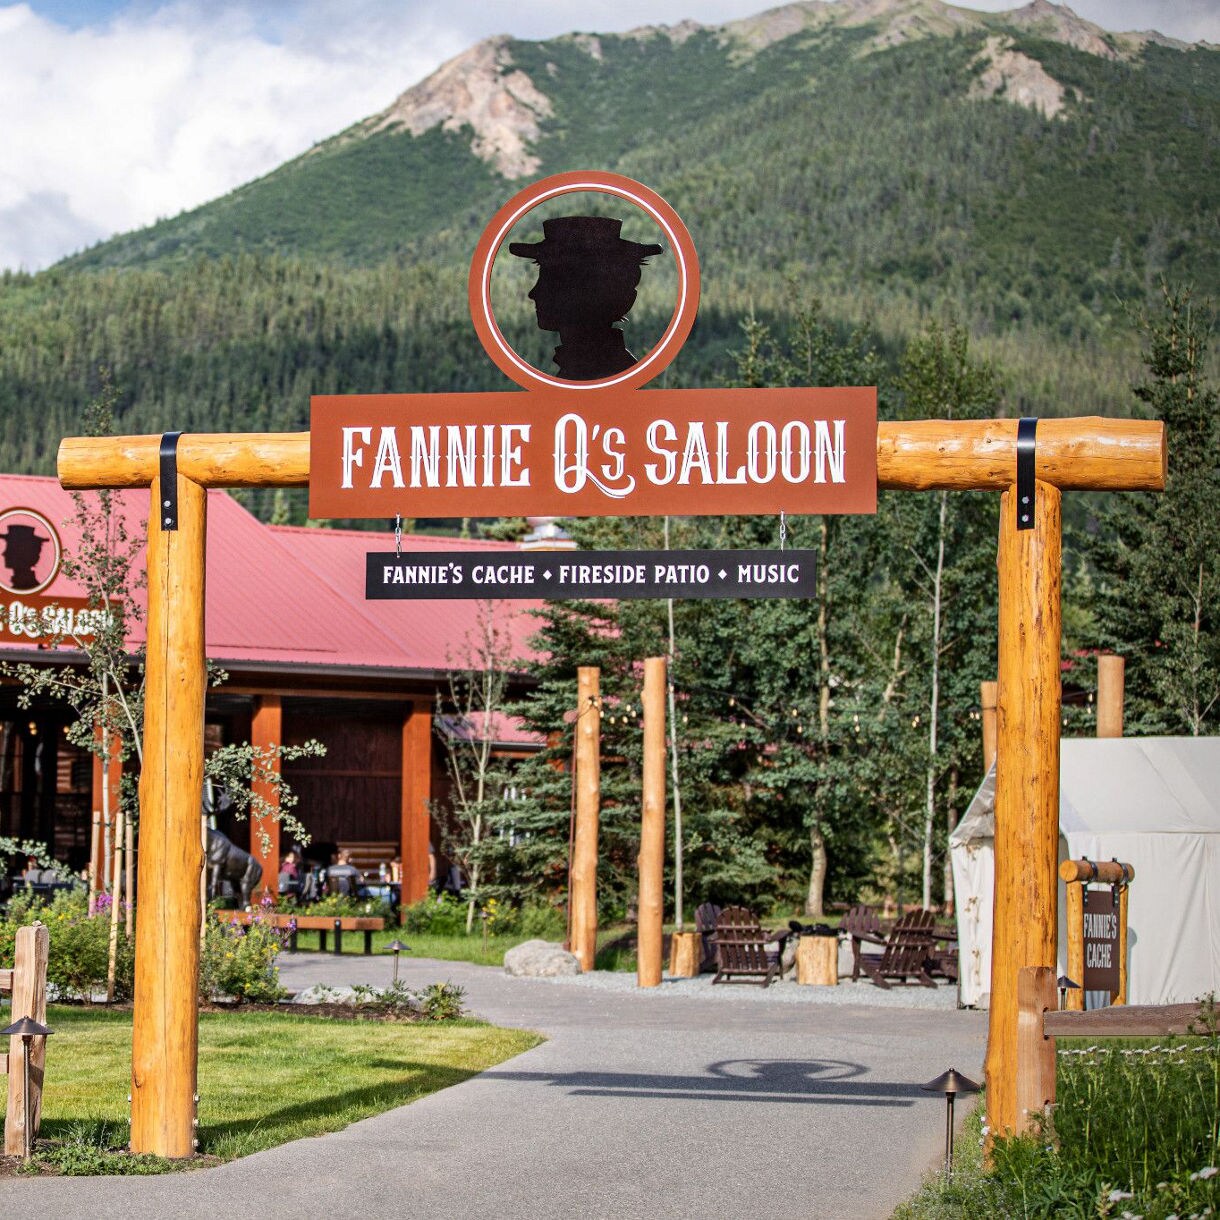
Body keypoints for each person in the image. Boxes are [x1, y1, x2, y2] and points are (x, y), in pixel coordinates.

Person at [509, 215, 663, 381]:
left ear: (587, 290)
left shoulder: (592, 375)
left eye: (552, 280)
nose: (533, 293)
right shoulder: (607, 370)